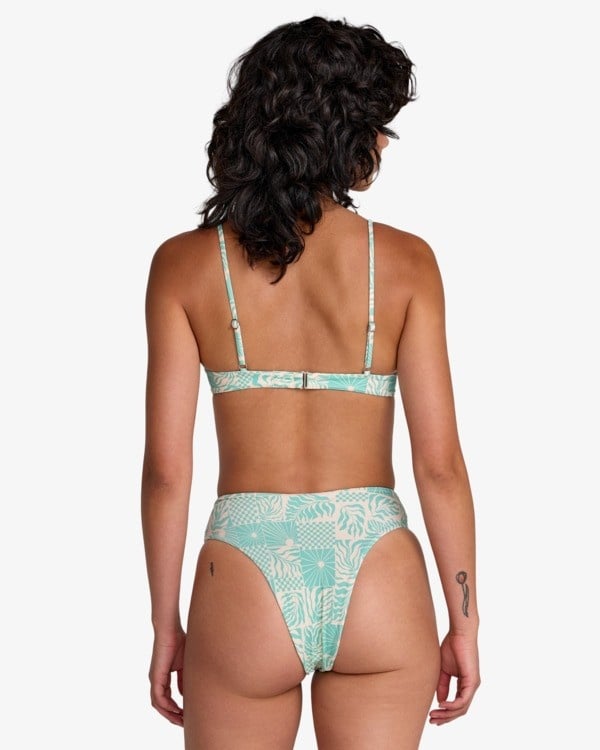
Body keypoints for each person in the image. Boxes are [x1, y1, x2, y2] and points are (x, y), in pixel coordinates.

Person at [141, 16, 480, 749]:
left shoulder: (183, 266)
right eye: (376, 125)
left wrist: (166, 625)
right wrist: (465, 620)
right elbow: (440, 467)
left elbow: (167, 472)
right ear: (340, 130)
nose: (384, 143)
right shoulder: (407, 263)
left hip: (244, 576)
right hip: (378, 573)